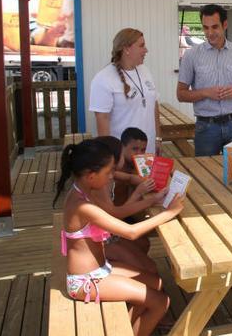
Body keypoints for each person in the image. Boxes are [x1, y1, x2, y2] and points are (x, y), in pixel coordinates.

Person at [54, 139, 184, 336]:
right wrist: (169, 212)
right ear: (91, 175)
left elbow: (116, 213)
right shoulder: (83, 206)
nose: (110, 178)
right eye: (107, 173)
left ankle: (124, 330)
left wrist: (153, 199)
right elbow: (130, 232)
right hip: (86, 281)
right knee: (160, 302)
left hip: (101, 269)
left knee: (155, 282)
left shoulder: (84, 192)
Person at [177, 4, 232, 156]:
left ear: (225, 25)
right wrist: (206, 93)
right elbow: (181, 94)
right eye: (205, 28)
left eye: (215, 27)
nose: (210, 33)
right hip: (206, 126)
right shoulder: (191, 55)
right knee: (205, 175)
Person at [91, 136, 161, 276]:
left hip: (107, 232)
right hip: (102, 239)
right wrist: (139, 194)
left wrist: (141, 180)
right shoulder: (100, 185)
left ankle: (133, 268)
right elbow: (117, 216)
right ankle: (133, 271)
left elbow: (128, 178)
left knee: (143, 243)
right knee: (150, 268)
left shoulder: (110, 173)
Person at [90, 28, 160, 153]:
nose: (146, 50)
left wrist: (158, 138)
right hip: (122, 156)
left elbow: (154, 105)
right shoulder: (103, 79)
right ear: (126, 49)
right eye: (141, 46)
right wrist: (111, 158)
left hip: (148, 152)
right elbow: (102, 121)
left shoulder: (145, 71)